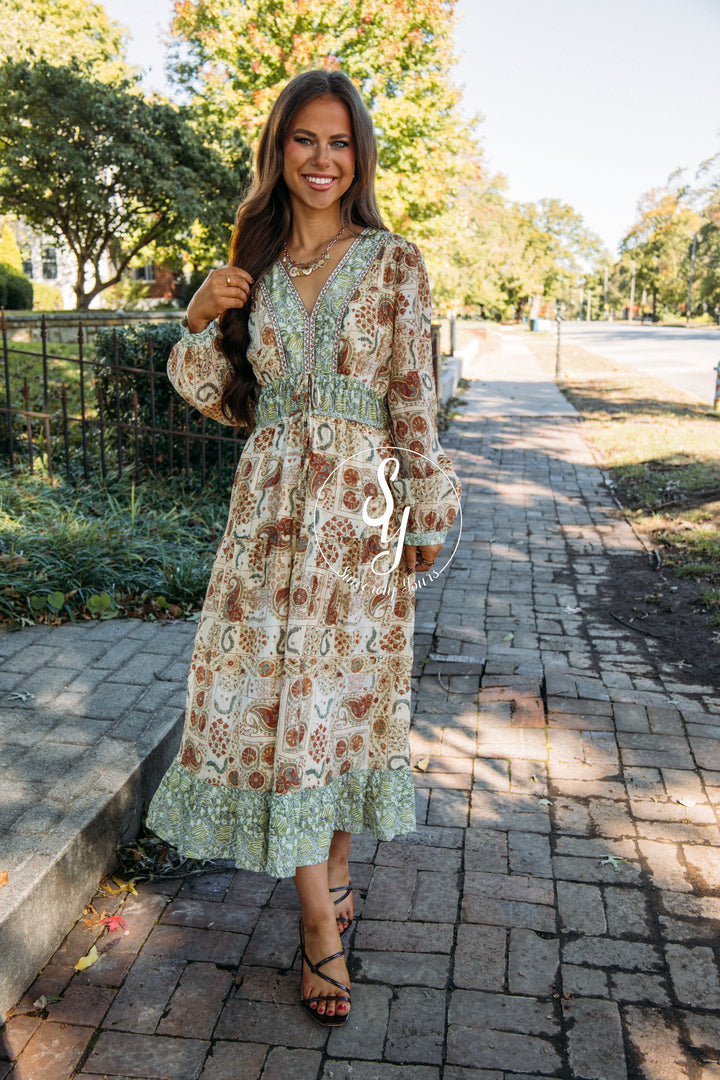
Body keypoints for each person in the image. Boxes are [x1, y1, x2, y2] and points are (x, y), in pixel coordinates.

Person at [146, 68, 461, 1027]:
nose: (322, 160)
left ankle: (333, 868)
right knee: (283, 708)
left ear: (358, 155)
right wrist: (198, 319)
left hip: (358, 529)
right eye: (303, 141)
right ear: (278, 150)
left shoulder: (396, 262)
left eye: (339, 143)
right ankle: (320, 926)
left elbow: (415, 400)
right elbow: (224, 400)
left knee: (341, 702)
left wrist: (428, 510)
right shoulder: (258, 268)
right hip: (267, 524)